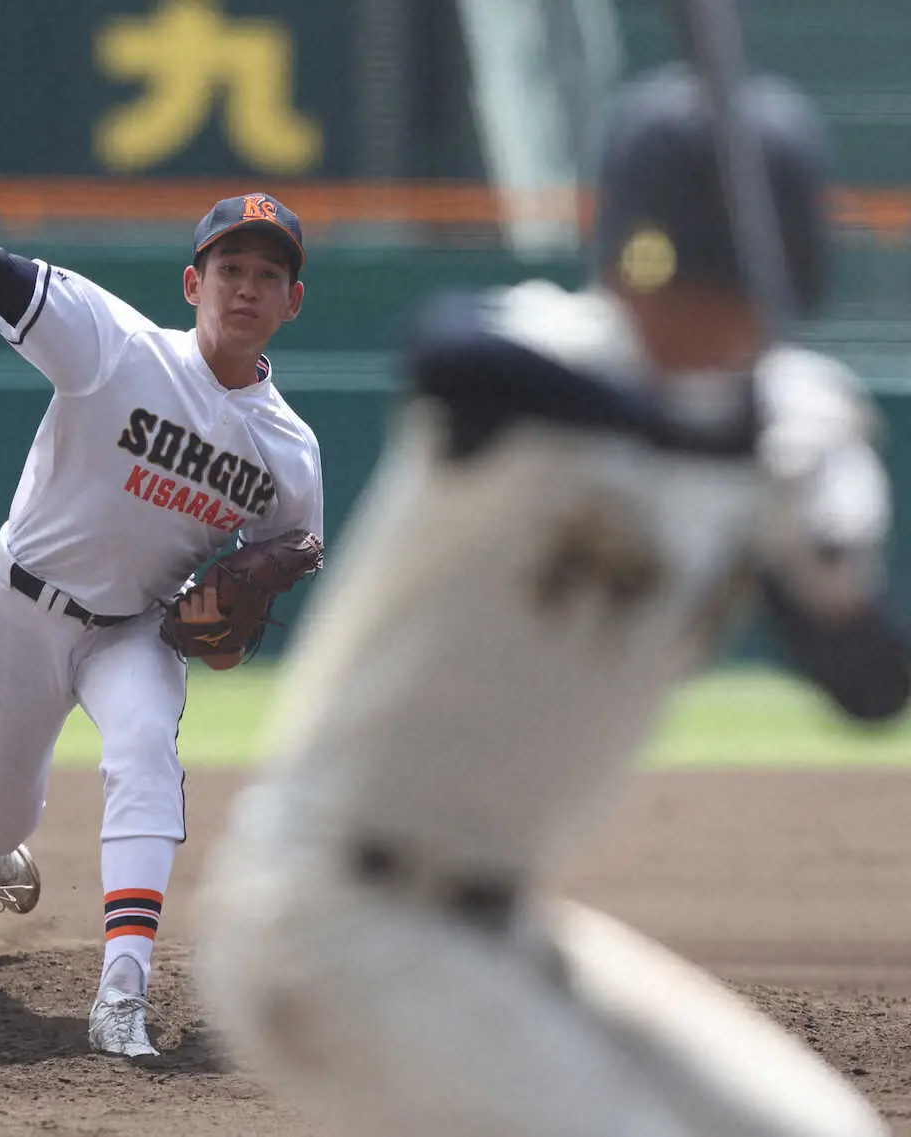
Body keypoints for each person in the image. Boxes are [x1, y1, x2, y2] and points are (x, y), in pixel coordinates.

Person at [197, 66, 907, 1137]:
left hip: (501, 928)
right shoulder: (541, 361)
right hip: (326, 917)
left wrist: (827, 568)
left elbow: (865, 691)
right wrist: (717, 439)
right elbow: (449, 352)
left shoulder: (791, 434)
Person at [0, 146, 324, 1059]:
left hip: (134, 630)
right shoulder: (112, 344)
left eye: (268, 276)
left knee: (144, 753)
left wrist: (222, 635)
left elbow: (245, 618)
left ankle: (121, 995)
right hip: (16, 605)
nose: (245, 289)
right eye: (229, 269)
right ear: (191, 283)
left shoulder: (290, 453)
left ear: (293, 302)